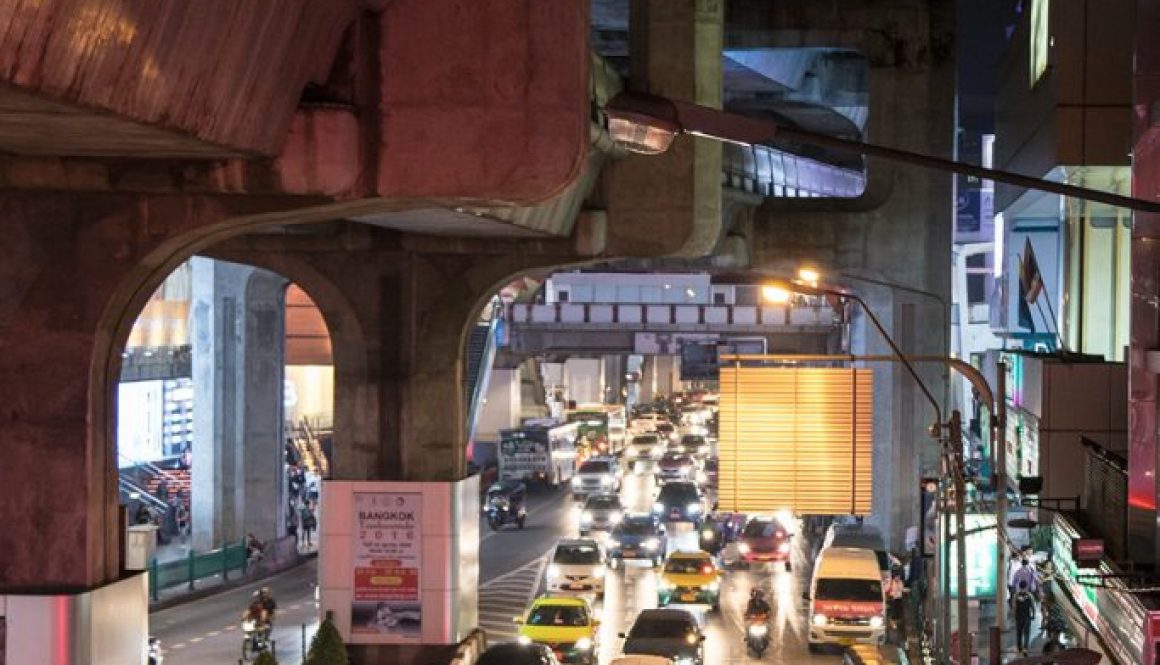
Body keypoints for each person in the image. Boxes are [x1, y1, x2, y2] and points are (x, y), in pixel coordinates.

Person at [1014, 579, 1037, 656]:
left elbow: (1014, 607)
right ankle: (1025, 649)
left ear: (1019, 586)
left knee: (1019, 633)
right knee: (1026, 633)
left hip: (1019, 616)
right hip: (1027, 616)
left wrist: (1015, 615)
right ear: (1026, 586)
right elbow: (1033, 606)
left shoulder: (1016, 595)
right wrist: (1033, 614)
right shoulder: (1029, 595)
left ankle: (1019, 647)